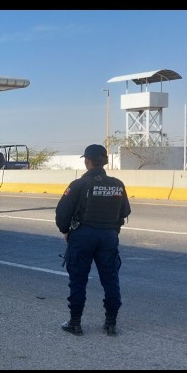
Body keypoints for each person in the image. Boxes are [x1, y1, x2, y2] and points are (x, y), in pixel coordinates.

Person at [55, 144, 131, 336]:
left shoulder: (78, 184)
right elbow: (124, 212)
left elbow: (62, 213)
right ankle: (111, 324)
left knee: (78, 280)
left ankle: (75, 323)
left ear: (87, 161)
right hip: (108, 236)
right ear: (104, 161)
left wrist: (65, 231)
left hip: (83, 235)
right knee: (111, 280)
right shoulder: (117, 184)